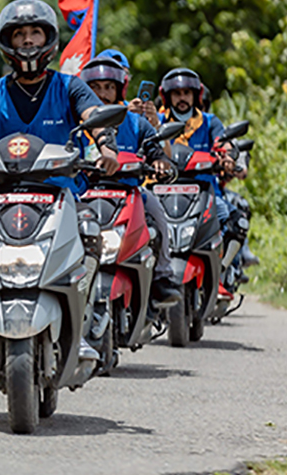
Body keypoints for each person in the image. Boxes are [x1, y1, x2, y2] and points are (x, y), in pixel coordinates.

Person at [0, 0, 120, 364]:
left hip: (58, 192)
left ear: (49, 38)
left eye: (36, 32)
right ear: (8, 43)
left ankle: (80, 323)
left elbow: (94, 115)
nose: (29, 41)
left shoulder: (70, 87)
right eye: (20, 35)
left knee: (90, 231)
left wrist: (106, 147)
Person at [79, 51, 182, 309]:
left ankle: (161, 276)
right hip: (82, 194)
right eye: (95, 88)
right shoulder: (75, 122)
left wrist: (160, 162)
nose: (102, 94)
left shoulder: (136, 122)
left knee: (157, 213)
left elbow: (157, 151)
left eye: (108, 88)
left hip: (129, 193)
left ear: (119, 90)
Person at [156, 68, 237, 228]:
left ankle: (224, 254)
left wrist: (227, 155)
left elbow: (222, 142)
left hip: (204, 192)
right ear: (167, 97)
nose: (182, 98)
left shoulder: (209, 122)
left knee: (232, 220)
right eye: (177, 94)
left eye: (187, 93)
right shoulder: (158, 122)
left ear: (196, 95)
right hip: (163, 191)